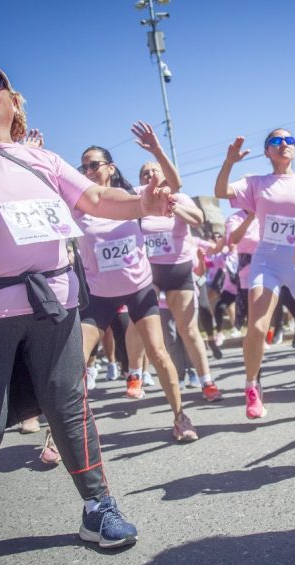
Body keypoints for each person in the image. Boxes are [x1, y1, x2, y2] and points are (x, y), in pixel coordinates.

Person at [0, 59, 174, 565]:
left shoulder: (41, 159)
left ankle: (98, 507)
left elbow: (93, 197)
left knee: (70, 408)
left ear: (13, 100)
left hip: (54, 304)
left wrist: (141, 202)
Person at [215, 126, 295, 419]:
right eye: (276, 141)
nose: (283, 144)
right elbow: (221, 191)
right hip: (267, 262)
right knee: (258, 328)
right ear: (267, 151)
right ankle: (252, 388)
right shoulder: (256, 182)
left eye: (289, 140)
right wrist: (229, 162)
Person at [76, 136, 198, 440]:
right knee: (75, 359)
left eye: (94, 164)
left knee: (158, 351)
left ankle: (181, 418)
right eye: (84, 165)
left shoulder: (134, 195)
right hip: (98, 294)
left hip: (139, 288)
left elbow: (175, 183)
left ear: (110, 168)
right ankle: (61, 430)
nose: (88, 169)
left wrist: (156, 151)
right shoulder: (77, 205)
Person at [137, 156, 222, 401]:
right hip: (151, 273)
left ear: (164, 176)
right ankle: (150, 377)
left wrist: (173, 206)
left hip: (179, 270)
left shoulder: (180, 198)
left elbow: (198, 219)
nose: (149, 176)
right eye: (145, 173)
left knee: (189, 329)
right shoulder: (139, 205)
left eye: (154, 171)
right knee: (156, 331)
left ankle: (207, 382)